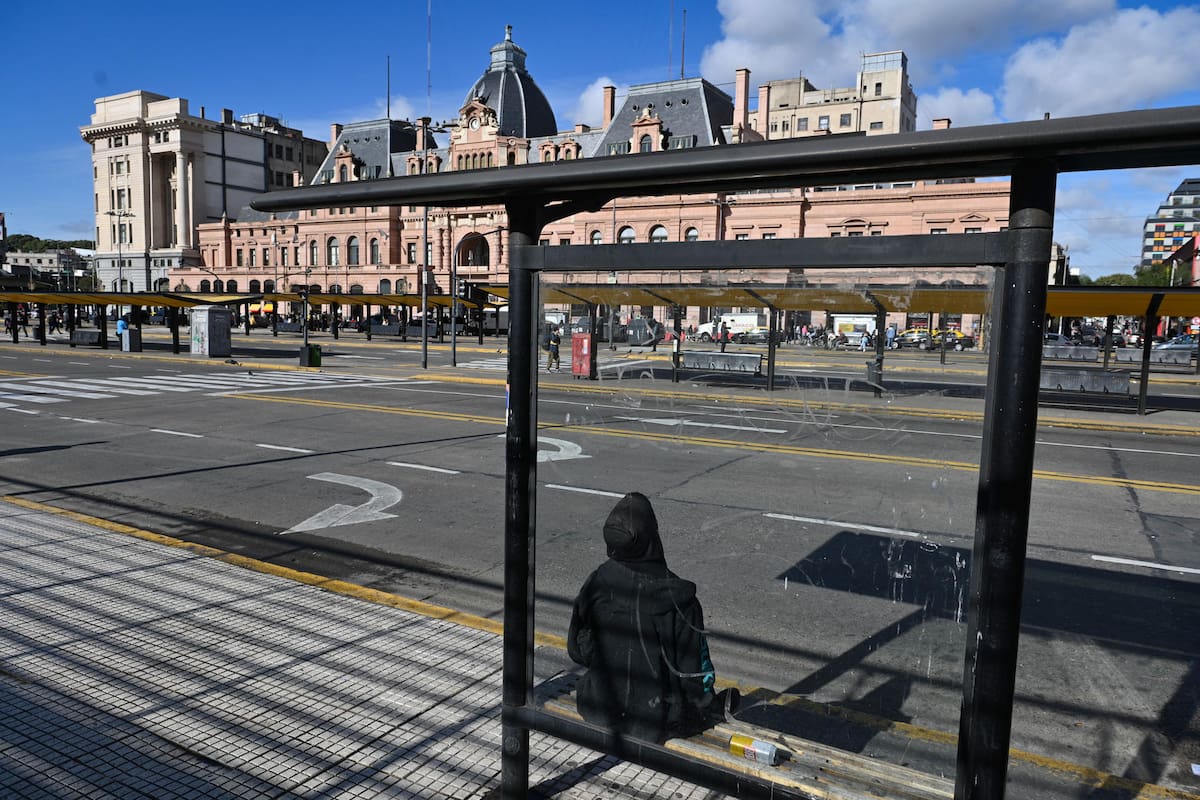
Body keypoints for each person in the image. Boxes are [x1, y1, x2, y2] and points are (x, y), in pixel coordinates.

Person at [568, 492, 735, 743]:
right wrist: (705, 705)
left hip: (597, 707)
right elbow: (694, 678)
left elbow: (577, 650)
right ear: (652, 538)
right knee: (725, 700)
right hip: (656, 721)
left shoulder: (597, 583)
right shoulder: (680, 598)